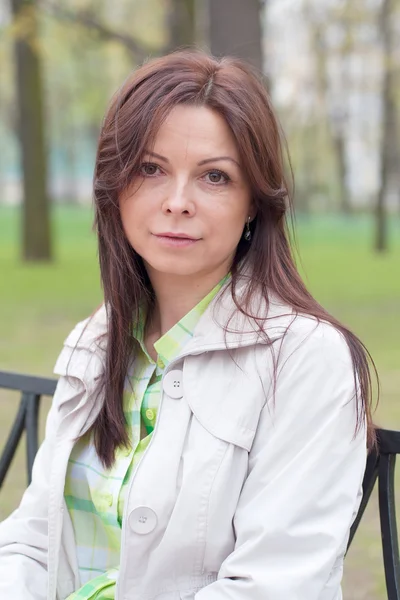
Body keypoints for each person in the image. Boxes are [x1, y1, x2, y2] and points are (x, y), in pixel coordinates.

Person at [0, 50, 376, 600]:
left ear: (253, 202)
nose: (178, 202)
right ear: (116, 186)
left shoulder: (305, 360)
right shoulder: (96, 339)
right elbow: (32, 543)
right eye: (151, 169)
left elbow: (273, 586)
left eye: (215, 177)